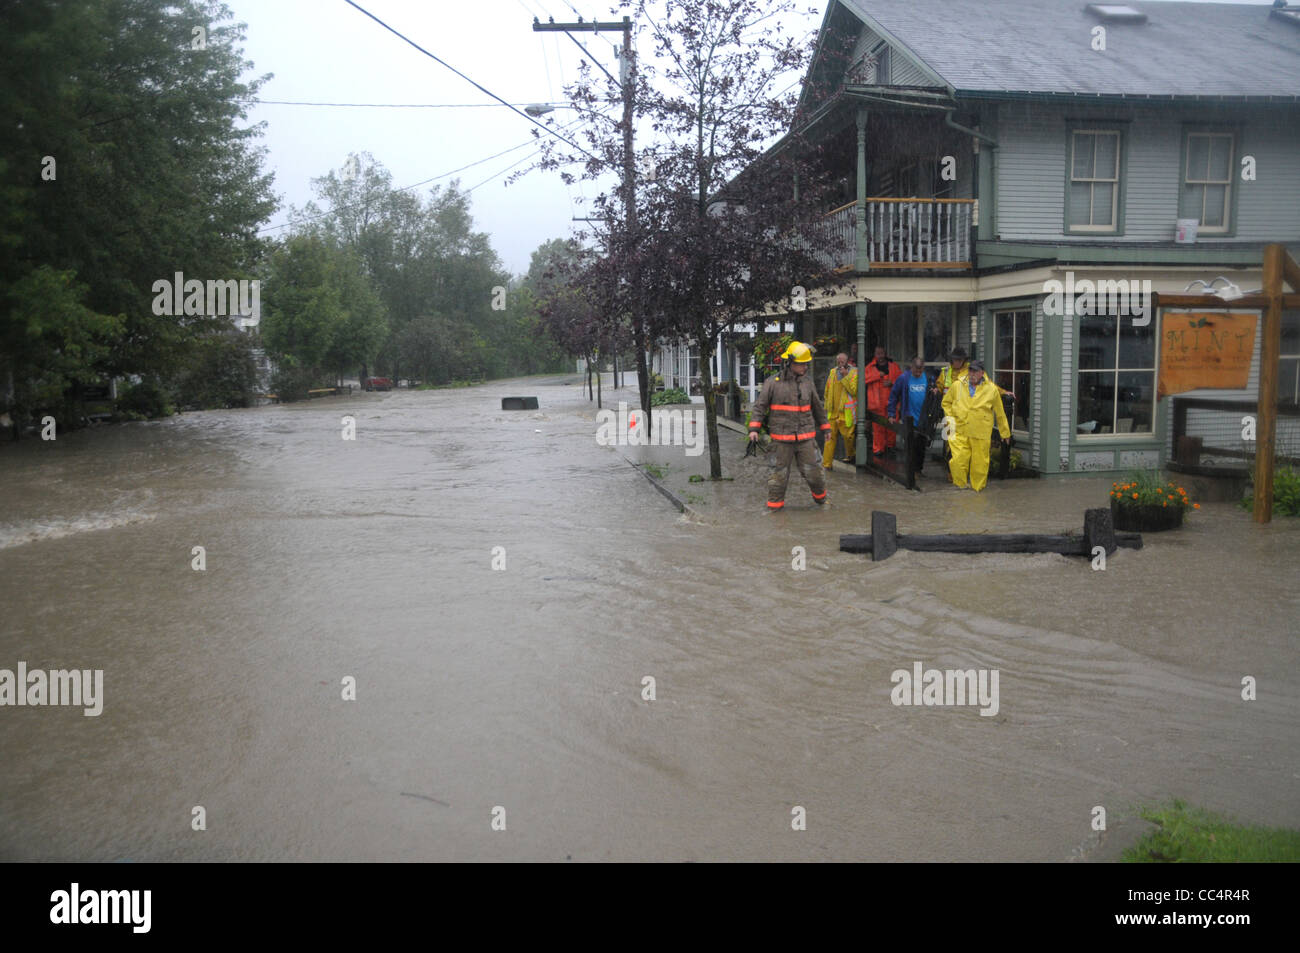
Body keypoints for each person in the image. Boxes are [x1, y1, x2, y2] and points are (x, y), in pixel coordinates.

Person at [748, 340, 832, 510]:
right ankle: (775, 509)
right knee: (778, 476)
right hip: (781, 439)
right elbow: (760, 406)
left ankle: (822, 503)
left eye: (806, 364)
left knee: (814, 474)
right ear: (790, 363)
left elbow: (817, 407)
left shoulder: (808, 383)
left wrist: (826, 428)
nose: (805, 367)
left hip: (805, 438)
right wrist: (754, 429)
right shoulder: (773, 383)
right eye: (802, 364)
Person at [941, 359, 1011, 492]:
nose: (972, 374)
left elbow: (1000, 412)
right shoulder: (957, 385)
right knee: (957, 460)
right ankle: (960, 487)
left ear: (982, 373)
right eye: (970, 370)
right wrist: (950, 422)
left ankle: (977, 491)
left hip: (981, 431)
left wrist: (1005, 433)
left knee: (979, 463)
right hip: (959, 429)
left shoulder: (991, 389)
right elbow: (946, 403)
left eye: (975, 371)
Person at [888, 357, 932, 474]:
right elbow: (893, 395)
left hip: (923, 419)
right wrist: (891, 413)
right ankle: (910, 472)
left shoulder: (927, 378)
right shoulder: (903, 378)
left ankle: (918, 470)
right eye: (916, 370)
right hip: (909, 419)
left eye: (920, 370)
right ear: (911, 367)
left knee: (921, 447)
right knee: (910, 448)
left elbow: (932, 393)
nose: (918, 373)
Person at [862, 346, 901, 456]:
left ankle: (890, 446)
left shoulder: (894, 367)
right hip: (876, 403)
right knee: (878, 428)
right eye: (878, 353)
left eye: (882, 353)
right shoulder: (869, 367)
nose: (880, 356)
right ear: (875, 354)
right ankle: (878, 449)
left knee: (892, 425)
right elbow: (863, 379)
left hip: (891, 402)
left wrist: (891, 382)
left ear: (885, 354)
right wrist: (878, 375)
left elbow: (900, 380)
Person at [821, 352, 858, 469]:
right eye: (838, 362)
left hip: (846, 412)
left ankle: (851, 455)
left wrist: (846, 376)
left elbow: (853, 391)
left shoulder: (854, 373)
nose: (840, 364)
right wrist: (826, 405)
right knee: (829, 438)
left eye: (842, 362)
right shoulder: (832, 372)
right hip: (832, 412)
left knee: (848, 437)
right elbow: (827, 389)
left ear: (847, 362)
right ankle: (826, 464)